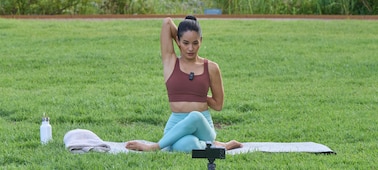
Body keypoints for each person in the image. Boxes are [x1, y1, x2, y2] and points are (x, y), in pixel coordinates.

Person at [126, 16, 242, 152]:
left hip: (202, 124)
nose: (190, 48)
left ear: (201, 42)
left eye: (195, 43)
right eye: (186, 43)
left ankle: (155, 147)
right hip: (176, 123)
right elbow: (167, 22)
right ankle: (219, 145)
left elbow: (218, 105)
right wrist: (181, 36)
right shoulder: (171, 63)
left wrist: (197, 96)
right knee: (187, 145)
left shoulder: (211, 67)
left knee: (194, 115)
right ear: (178, 41)